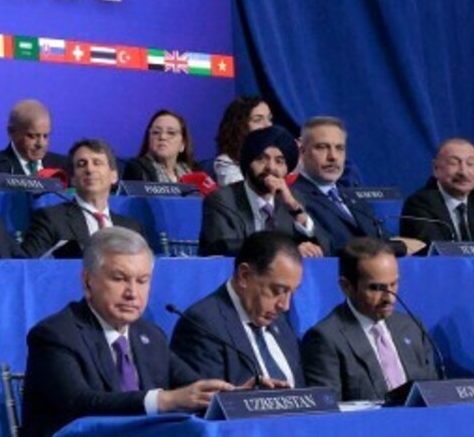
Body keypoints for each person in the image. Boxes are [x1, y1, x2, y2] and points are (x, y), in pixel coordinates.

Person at [20, 227, 234, 437]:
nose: (132, 293)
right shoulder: (55, 334)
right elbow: (78, 404)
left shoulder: (150, 335)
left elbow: (193, 387)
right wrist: (163, 400)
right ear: (87, 281)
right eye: (119, 279)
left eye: (142, 281)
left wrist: (232, 396)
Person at [299, 237, 441, 401]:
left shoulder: (412, 327)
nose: (390, 298)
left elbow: (432, 394)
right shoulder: (325, 339)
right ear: (346, 287)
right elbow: (329, 409)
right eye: (376, 288)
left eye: (394, 284)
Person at [169, 230, 307, 387]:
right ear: (244, 276)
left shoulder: (280, 321)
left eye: (291, 293)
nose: (285, 306)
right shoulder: (203, 325)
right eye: (278, 290)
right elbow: (207, 398)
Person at [291, 116, 422, 256]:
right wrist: (401, 247)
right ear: (302, 151)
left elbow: (379, 236)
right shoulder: (294, 197)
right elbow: (332, 247)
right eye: (322, 147)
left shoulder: (351, 194)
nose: (333, 156)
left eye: (339, 148)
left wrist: (407, 245)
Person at [198, 126, 323, 258]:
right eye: (262, 158)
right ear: (248, 162)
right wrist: (288, 251)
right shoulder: (222, 200)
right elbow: (224, 246)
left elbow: (323, 246)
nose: (271, 167)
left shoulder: (294, 200)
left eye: (279, 161)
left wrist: (295, 209)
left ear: (288, 169)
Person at [21, 139, 145, 257]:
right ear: (73, 179)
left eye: (97, 163)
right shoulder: (51, 220)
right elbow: (26, 265)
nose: (89, 169)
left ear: (114, 176)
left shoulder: (131, 228)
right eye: (81, 164)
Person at [399, 137, 474, 246]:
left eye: (470, 164)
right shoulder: (419, 204)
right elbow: (433, 248)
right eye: (453, 163)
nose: (463, 172)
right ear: (436, 168)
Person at [0, 99, 68, 178]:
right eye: (32, 136)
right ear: (11, 132)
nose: (41, 144)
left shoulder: (65, 168)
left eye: (45, 136)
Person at [121, 109, 198, 184]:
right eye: (156, 132)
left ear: (182, 144)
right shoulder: (136, 169)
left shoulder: (193, 171)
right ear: (148, 139)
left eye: (171, 133)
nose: (162, 137)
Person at [209, 96, 272, 187]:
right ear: (240, 126)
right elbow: (242, 192)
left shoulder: (277, 156)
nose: (268, 125)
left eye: (269, 119)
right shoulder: (226, 162)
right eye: (258, 120)